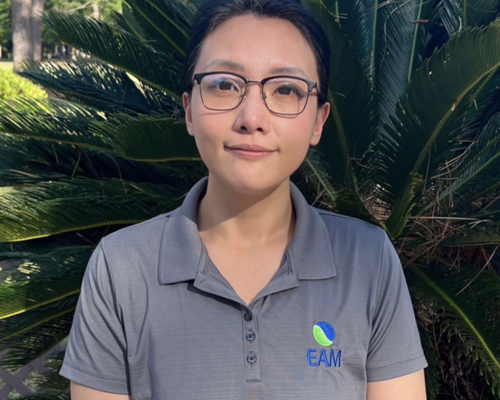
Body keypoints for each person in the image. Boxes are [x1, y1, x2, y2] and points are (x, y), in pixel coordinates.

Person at [60, 0, 428, 399]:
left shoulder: (367, 260)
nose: (252, 117)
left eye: (286, 89)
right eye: (223, 85)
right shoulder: (121, 268)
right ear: (188, 110)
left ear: (319, 121)